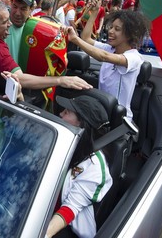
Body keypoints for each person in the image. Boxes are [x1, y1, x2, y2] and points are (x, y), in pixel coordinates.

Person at [0, 0, 91, 92]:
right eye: (5, 22)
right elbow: (21, 78)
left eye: (24, 8)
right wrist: (61, 80)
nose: (10, 24)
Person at [64, 0, 149, 119]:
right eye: (111, 27)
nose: (110, 31)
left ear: (130, 34)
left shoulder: (134, 57)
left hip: (119, 119)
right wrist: (95, 12)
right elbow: (86, 38)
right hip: (101, 112)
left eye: (117, 29)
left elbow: (103, 57)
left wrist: (75, 40)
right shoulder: (109, 48)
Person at [45, 95, 112, 238]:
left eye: (67, 112)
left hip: (66, 227)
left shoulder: (95, 167)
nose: (60, 114)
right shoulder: (64, 138)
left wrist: (44, 234)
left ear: (82, 124)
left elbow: (70, 208)